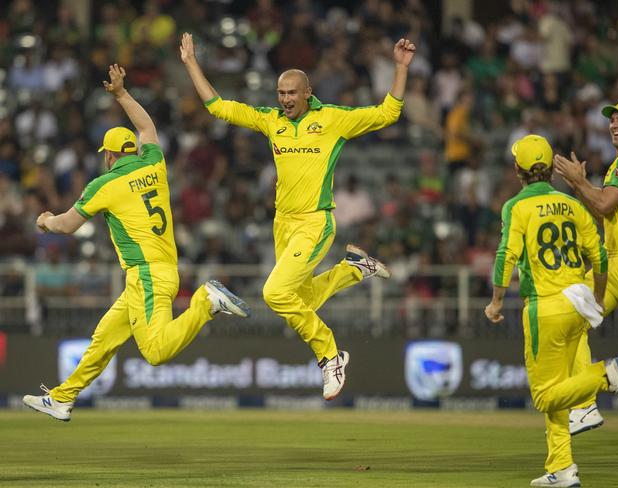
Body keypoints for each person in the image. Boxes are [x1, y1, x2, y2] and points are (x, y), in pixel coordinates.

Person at [180, 32, 416, 400]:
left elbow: (389, 112)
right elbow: (219, 107)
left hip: (315, 221)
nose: (286, 99)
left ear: (308, 92)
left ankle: (330, 356)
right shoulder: (271, 121)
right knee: (301, 301)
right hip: (283, 225)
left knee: (274, 293)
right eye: (281, 93)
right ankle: (355, 268)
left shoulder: (333, 119)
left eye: (292, 93)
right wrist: (192, 63)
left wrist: (400, 68)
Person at [22, 65, 251, 422]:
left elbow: (67, 226)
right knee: (103, 338)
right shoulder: (153, 162)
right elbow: (148, 128)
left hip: (145, 275)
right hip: (160, 271)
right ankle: (62, 398)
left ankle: (206, 301)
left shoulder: (104, 184)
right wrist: (122, 94)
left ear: (109, 155)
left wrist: (45, 220)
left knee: (156, 352)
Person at [485, 134, 618, 487]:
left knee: (544, 395)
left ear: (518, 170)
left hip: (544, 306)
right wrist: (599, 298)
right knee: (560, 387)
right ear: (550, 172)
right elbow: (600, 255)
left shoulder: (516, 207)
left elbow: (505, 256)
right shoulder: (571, 204)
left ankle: (606, 375)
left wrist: (497, 301)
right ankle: (562, 468)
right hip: (579, 301)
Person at [554, 100, 618, 435]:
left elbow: (604, 203)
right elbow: (605, 212)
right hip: (614, 263)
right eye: (612, 120)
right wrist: (580, 186)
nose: (614, 124)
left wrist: (579, 182)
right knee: (569, 322)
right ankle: (585, 406)